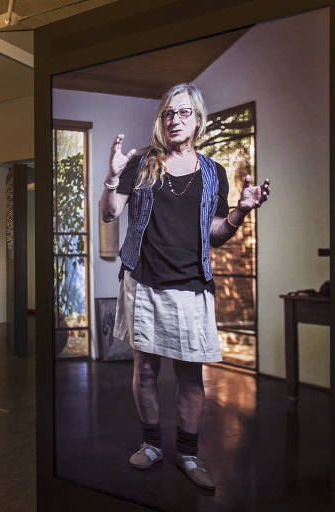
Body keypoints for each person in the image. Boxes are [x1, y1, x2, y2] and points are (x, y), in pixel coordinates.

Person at [100, 83, 270, 491]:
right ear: (161, 121)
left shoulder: (213, 172)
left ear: (197, 119)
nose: (174, 120)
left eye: (183, 113)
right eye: (167, 114)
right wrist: (111, 176)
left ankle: (189, 454)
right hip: (143, 280)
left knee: (191, 376)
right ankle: (152, 444)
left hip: (192, 285)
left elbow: (214, 233)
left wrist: (240, 213)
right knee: (144, 370)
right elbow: (109, 215)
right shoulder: (141, 164)